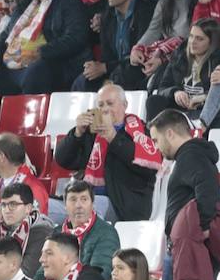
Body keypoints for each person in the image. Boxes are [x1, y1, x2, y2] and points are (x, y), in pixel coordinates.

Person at [149, 108, 220, 280]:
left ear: (170, 133)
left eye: (156, 139)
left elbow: (208, 194)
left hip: (189, 248)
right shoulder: (189, 156)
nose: (155, 147)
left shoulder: (192, 155)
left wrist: (202, 230)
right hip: (185, 246)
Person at [55, 83, 161, 222]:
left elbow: (147, 169)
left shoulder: (142, 131)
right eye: (101, 105)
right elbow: (63, 160)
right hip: (85, 198)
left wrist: (113, 137)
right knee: (42, 206)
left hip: (123, 207)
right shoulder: (91, 133)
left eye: (110, 104)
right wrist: (77, 133)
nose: (105, 109)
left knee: (90, 207)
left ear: (125, 105)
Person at [79, 0, 151, 93]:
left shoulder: (144, 13)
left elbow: (141, 54)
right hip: (115, 70)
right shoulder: (108, 16)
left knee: (121, 77)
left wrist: (105, 68)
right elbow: (107, 56)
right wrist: (97, 67)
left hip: (139, 68)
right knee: (84, 81)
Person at [145, 19, 220, 120]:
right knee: (153, 101)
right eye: (191, 36)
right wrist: (175, 92)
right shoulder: (179, 56)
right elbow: (163, 88)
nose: (193, 42)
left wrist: (200, 99)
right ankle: (152, 134)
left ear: (212, 43)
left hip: (204, 111)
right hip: (179, 109)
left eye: (200, 39)